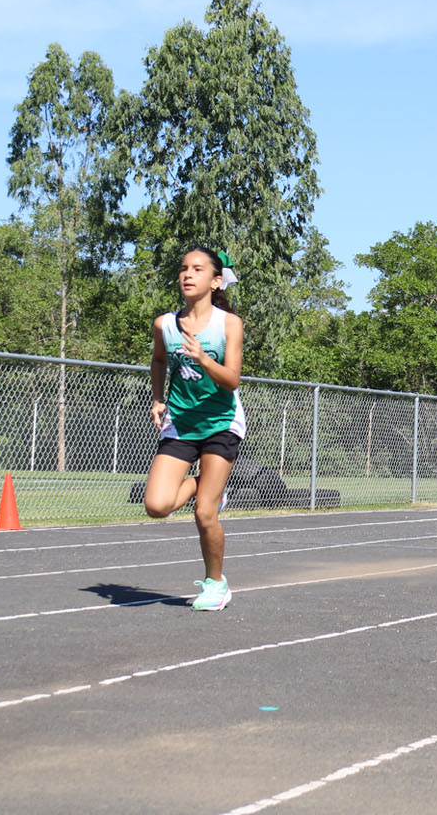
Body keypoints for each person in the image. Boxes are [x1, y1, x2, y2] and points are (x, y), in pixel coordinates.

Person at [142, 247, 246, 610]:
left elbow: (231, 380)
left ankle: (216, 584)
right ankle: (209, 486)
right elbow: (158, 360)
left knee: (205, 513)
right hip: (181, 423)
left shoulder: (227, 324)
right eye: (184, 268)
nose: (188, 274)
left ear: (216, 281)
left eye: (198, 269)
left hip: (220, 422)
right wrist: (158, 398)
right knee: (156, 505)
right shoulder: (165, 325)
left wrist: (204, 358)